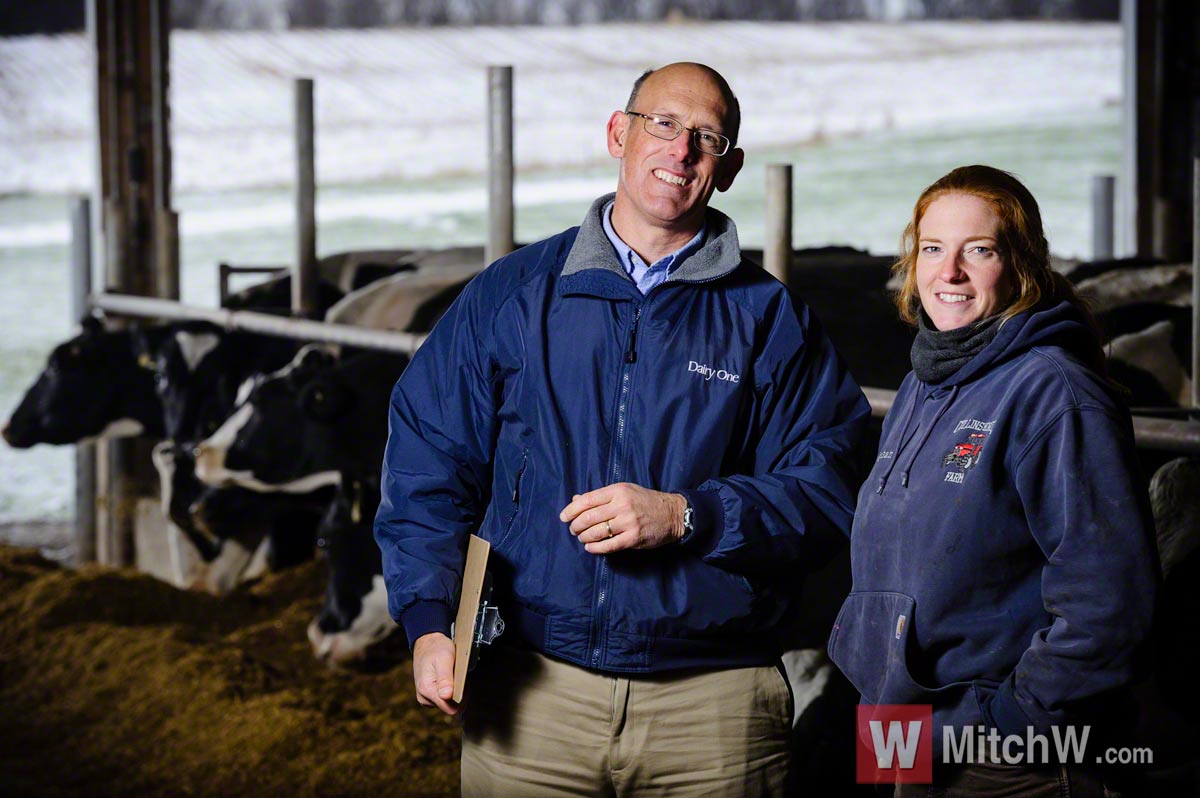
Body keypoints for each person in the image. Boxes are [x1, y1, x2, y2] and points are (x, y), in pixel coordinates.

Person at [374, 62, 870, 797]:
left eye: (708, 138)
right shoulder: (513, 295)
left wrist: (687, 515)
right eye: (664, 125)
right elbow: (428, 459)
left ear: (727, 169)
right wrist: (426, 617)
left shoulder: (771, 321)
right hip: (531, 697)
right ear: (619, 133)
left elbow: (829, 492)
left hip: (715, 709)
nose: (682, 151)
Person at [828, 165, 1159, 797]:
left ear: (1022, 265)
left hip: (1005, 756)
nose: (947, 272)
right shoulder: (924, 382)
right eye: (932, 248)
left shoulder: (1053, 392)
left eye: (977, 250)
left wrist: (1009, 725)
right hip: (910, 736)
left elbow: (1111, 604)